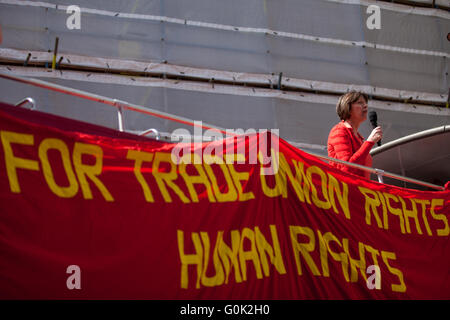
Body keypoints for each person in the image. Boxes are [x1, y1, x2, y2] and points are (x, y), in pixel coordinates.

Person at [327, 91, 382, 179]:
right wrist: (369, 142)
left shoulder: (359, 137)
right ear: (347, 107)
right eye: (360, 103)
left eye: (365, 103)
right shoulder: (339, 131)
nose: (365, 106)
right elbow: (347, 168)